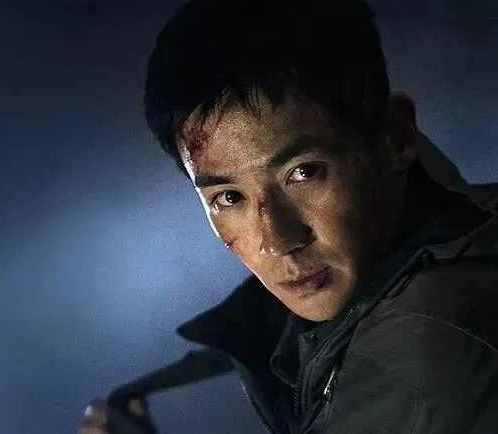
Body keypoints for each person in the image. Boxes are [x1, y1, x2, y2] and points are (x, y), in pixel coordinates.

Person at [77, 0, 498, 433]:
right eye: (229, 198)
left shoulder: (424, 342)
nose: (276, 241)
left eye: (303, 172)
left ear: (395, 136)